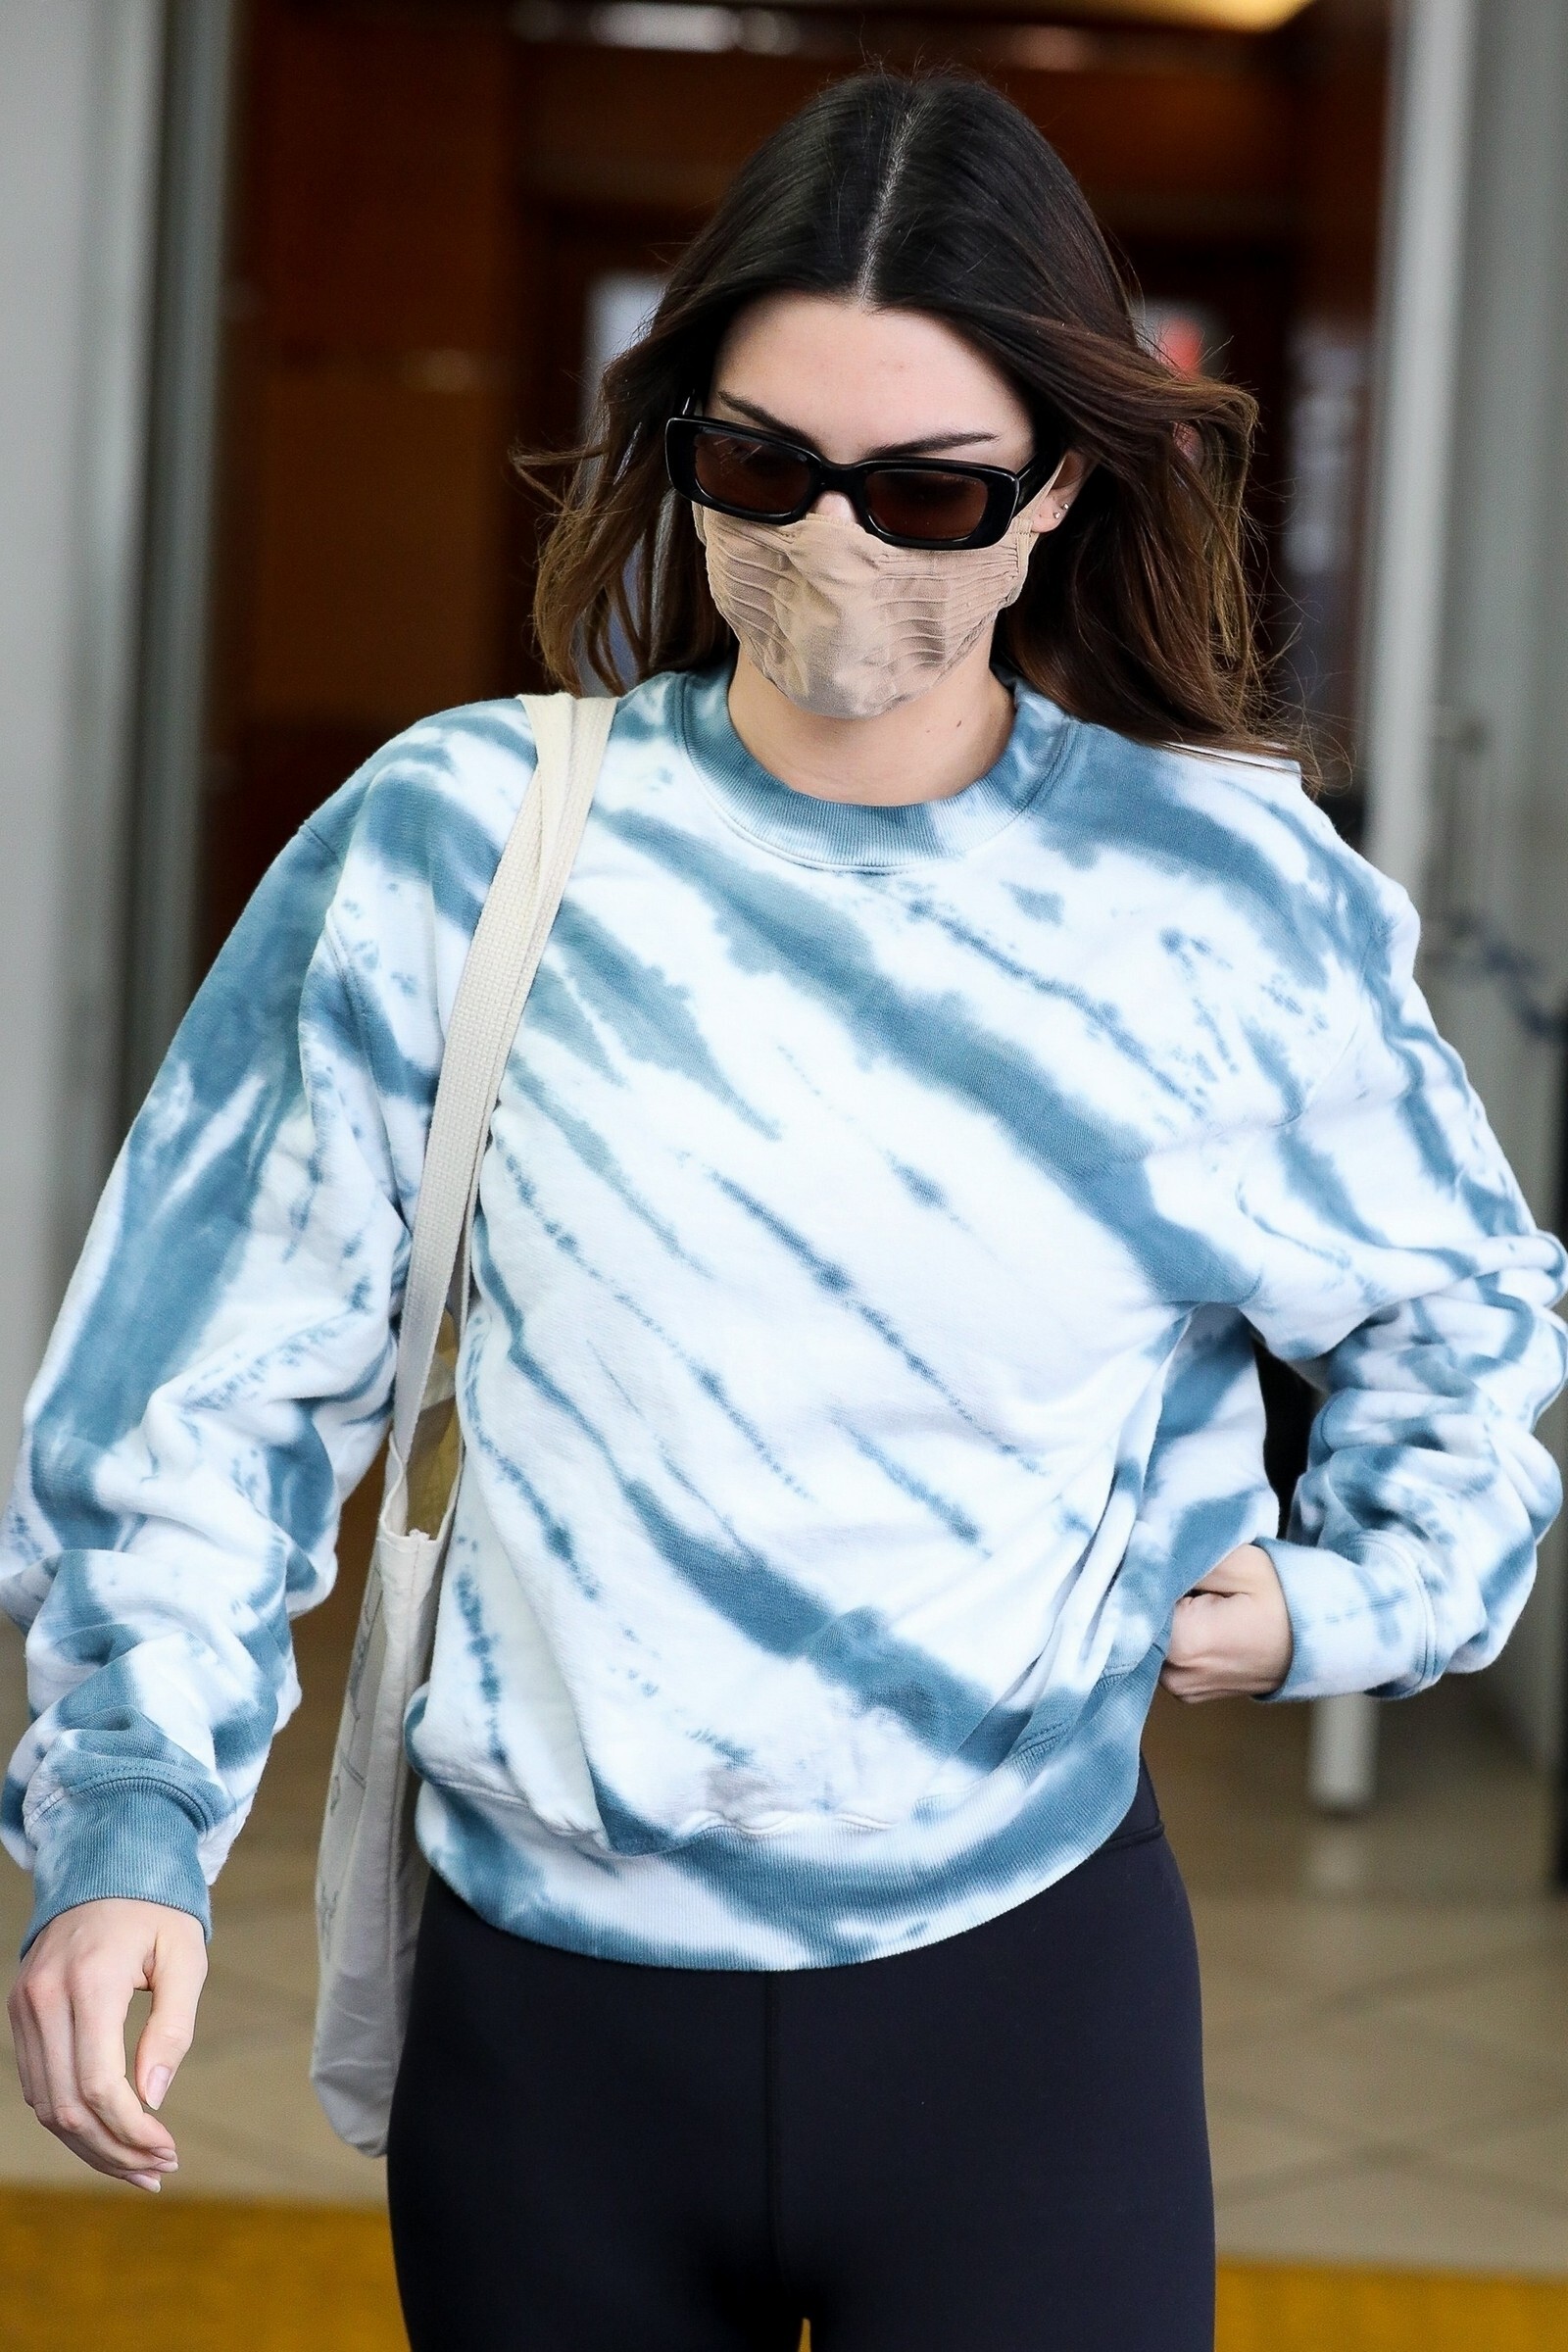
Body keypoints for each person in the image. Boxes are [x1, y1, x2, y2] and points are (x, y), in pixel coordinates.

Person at [4, 67, 1564, 2352]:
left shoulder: (1214, 899)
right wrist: (128, 1828)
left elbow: (1460, 1304)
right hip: (545, 2035)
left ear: (1056, 486)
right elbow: (200, 1376)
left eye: (923, 490)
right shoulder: (460, 841)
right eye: (758, 467)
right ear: (677, 447)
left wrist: (1357, 1595)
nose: (832, 547)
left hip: (1018, 2009)